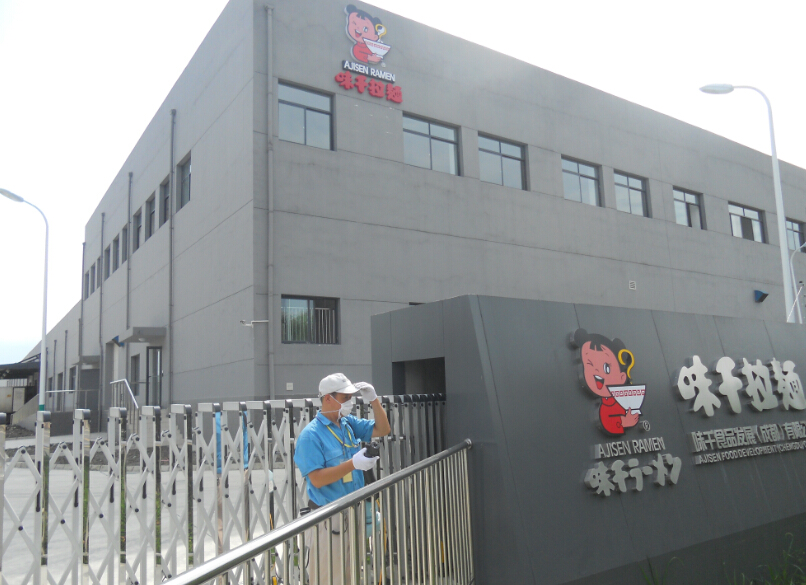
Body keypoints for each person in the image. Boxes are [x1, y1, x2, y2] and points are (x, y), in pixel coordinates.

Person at [294, 373, 391, 585]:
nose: (350, 402)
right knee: (329, 578)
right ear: (328, 398)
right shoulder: (311, 435)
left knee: (351, 576)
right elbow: (317, 479)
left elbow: (383, 429)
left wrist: (374, 400)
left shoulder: (347, 424)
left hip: (353, 514)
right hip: (329, 520)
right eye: (345, 398)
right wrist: (353, 464)